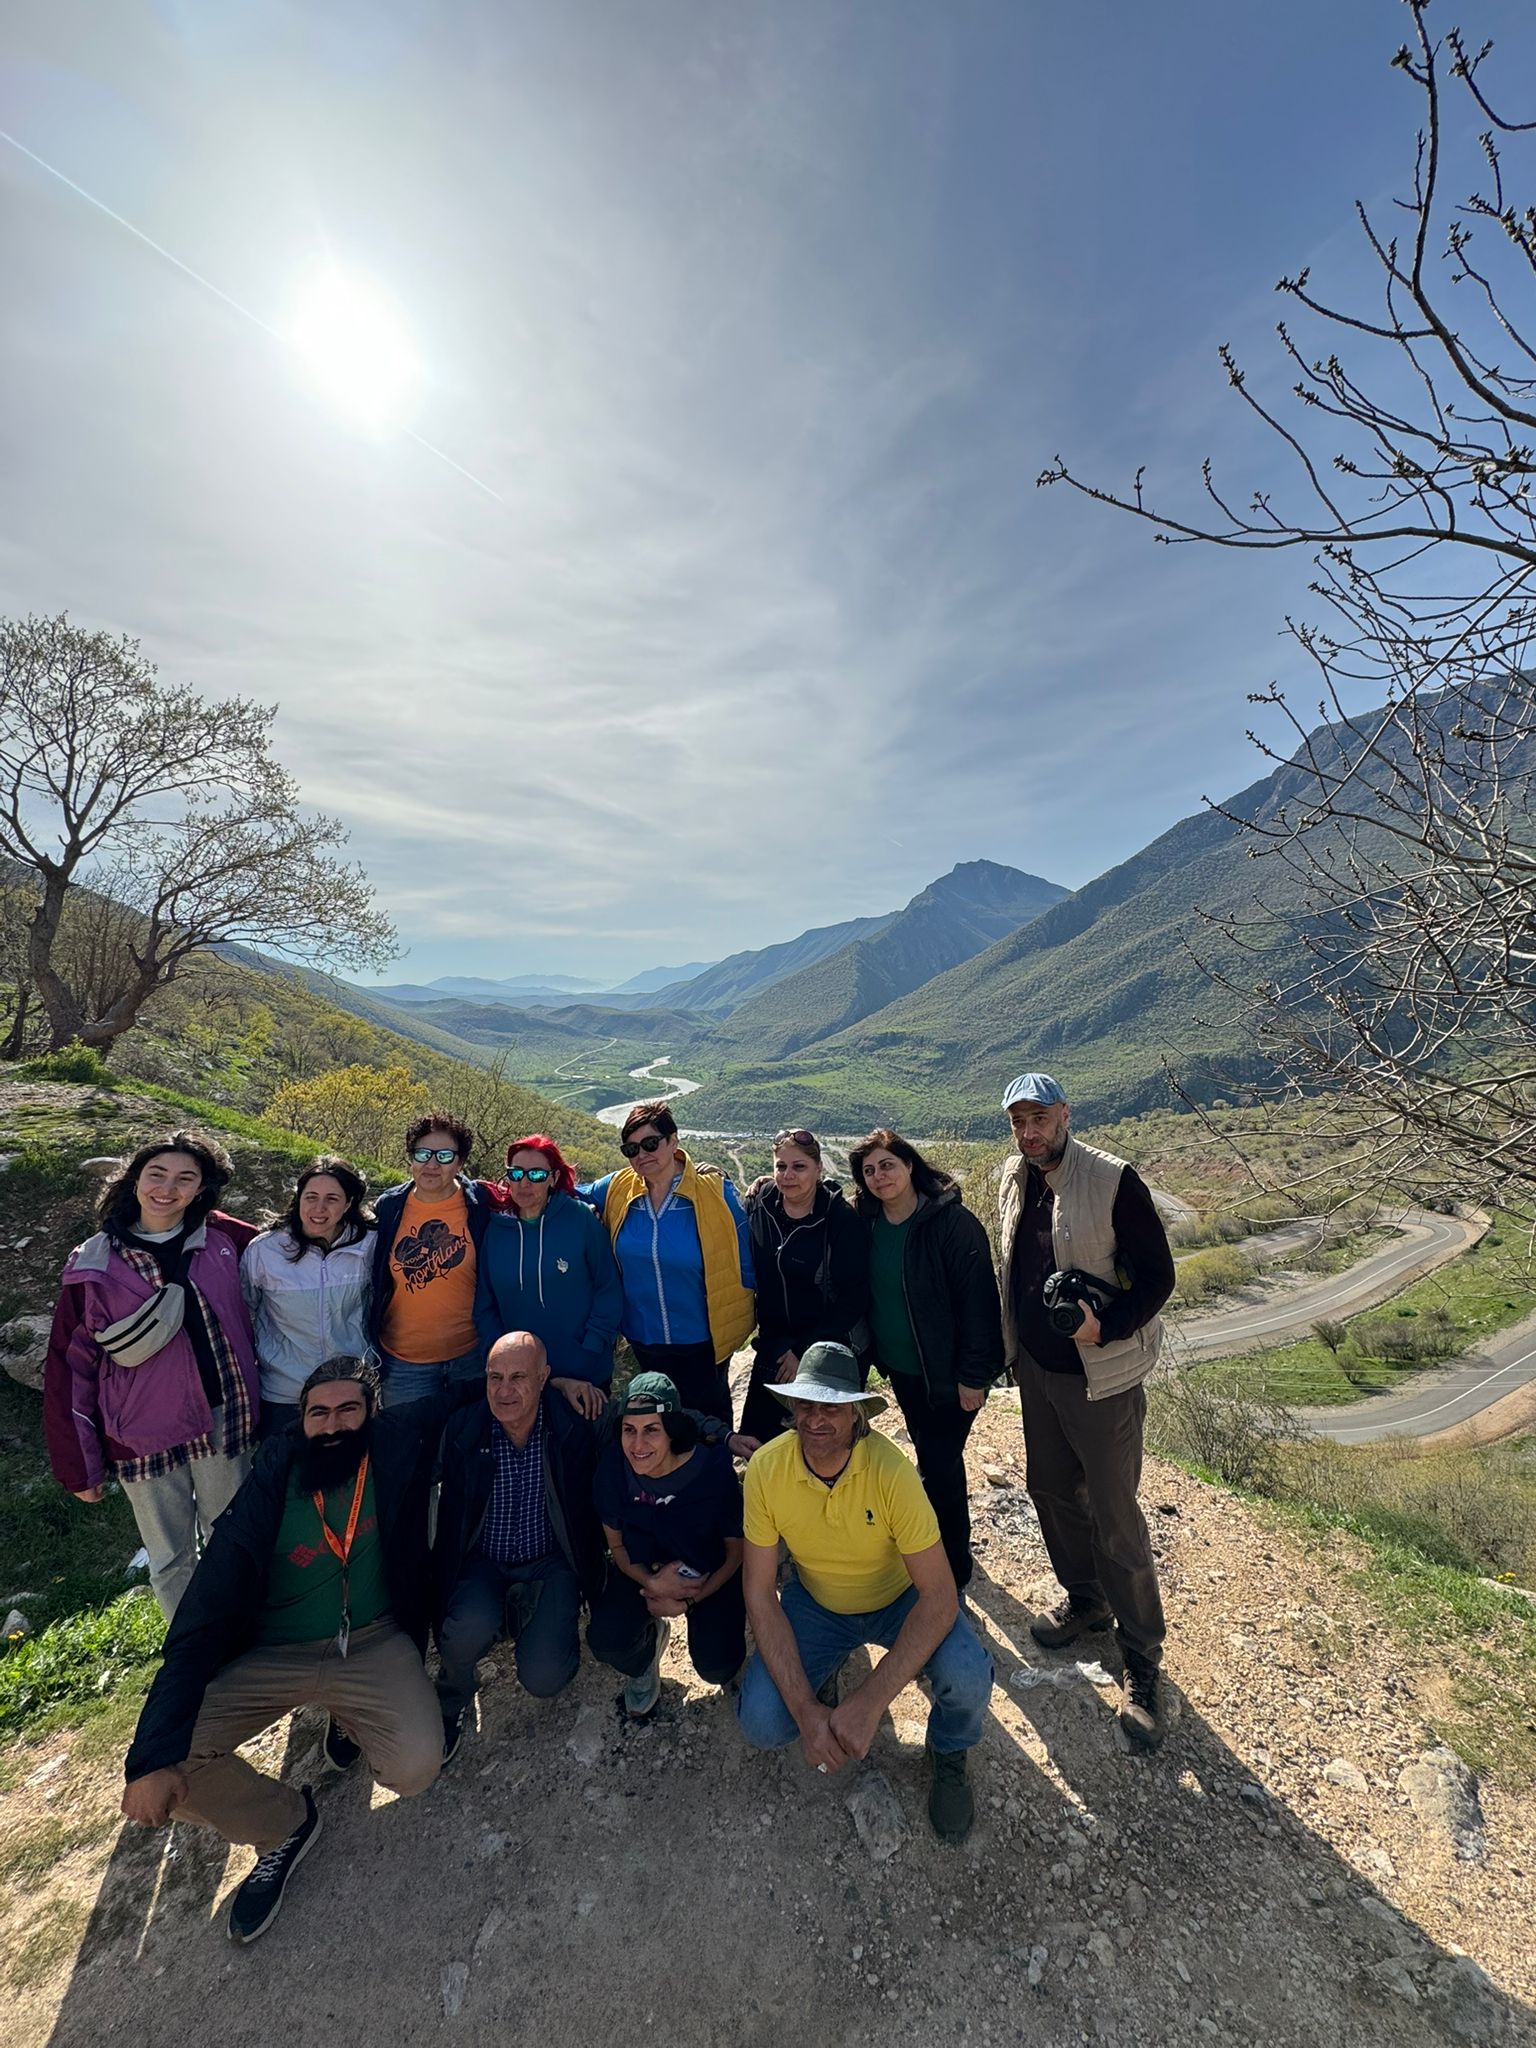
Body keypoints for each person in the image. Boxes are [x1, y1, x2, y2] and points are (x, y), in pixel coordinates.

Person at [118, 1358, 441, 1945]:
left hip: (372, 1642)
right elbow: (201, 1621)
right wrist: (149, 1757)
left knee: (416, 1769)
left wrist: (560, 1383)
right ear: (302, 1419)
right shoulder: (272, 1479)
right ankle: (284, 1823)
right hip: (277, 1651)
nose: (334, 1424)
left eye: (349, 1409)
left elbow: (474, 1394)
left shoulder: (395, 1444)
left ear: (373, 1412)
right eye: (319, 1412)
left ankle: (351, 1716)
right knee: (168, 1764)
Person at [735, 1343, 993, 1843]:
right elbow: (760, 1592)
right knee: (763, 1723)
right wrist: (808, 1713)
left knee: (966, 1677)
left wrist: (870, 1701)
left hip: (900, 1599)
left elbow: (939, 1595)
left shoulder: (891, 1471)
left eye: (831, 1406)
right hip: (817, 1602)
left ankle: (949, 1748)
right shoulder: (766, 1471)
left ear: (856, 1413)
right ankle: (822, 1679)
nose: (815, 1419)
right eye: (805, 1404)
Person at [997, 1071, 1177, 1749]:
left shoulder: (1113, 1179)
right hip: (1039, 1374)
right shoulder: (1012, 1178)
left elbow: (1159, 1277)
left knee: (1115, 1512)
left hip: (1102, 1378)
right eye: (1018, 1121)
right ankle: (1086, 1598)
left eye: (1039, 1117)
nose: (1029, 1131)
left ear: (1066, 1114)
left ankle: (1141, 1659)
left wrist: (1107, 1328)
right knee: (1048, 1490)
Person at [43, 1131, 260, 1619]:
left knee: (232, 1539)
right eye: (156, 1174)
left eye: (186, 1178)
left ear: (202, 1189)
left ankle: (240, 1639)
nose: (168, 1188)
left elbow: (295, 1249)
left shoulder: (225, 1238)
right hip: (142, 1433)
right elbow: (68, 1365)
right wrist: (78, 1464)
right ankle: (191, 1653)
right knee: (171, 1557)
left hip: (225, 1417)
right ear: (134, 1180)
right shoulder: (93, 1265)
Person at [431, 1330, 603, 1759]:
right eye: (495, 1377)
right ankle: (452, 1695)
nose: (504, 1390)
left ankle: (533, 1621)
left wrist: (724, 1438)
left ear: (545, 1378)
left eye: (518, 1377)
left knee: (545, 1677)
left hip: (549, 1563)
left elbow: (646, 1418)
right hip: (483, 1563)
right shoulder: (464, 1429)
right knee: (463, 1631)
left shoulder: (572, 1425)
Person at [849, 1128, 1002, 1590]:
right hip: (901, 1368)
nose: (879, 1177)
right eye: (869, 1171)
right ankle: (931, 1546)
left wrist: (974, 1376)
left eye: (887, 1165)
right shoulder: (866, 1219)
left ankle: (953, 1570)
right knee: (931, 1453)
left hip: (949, 1374)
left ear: (910, 1165)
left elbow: (980, 1305)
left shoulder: (952, 1225)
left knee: (940, 1465)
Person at [579, 1100, 755, 1425]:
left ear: (673, 1141)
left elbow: (745, 1260)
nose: (641, 1155)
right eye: (631, 1149)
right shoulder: (618, 1187)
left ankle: (717, 1473)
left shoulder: (715, 1191)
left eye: (650, 1144)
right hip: (643, 1337)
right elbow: (572, 1193)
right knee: (659, 1421)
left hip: (704, 1339)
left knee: (709, 1424)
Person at [586, 1372, 746, 1719]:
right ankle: (646, 1654)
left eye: (651, 1429)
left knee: (718, 1665)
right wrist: (653, 1584)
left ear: (673, 1428)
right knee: (607, 1639)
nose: (638, 1444)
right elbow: (617, 1547)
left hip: (709, 1573)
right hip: (646, 1570)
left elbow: (736, 1551)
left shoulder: (712, 1472)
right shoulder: (614, 1470)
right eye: (629, 1430)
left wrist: (688, 1600)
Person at [474, 1134, 623, 1421]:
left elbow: (608, 1288)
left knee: (581, 1458)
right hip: (518, 1380)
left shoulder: (580, 1219)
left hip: (583, 1372)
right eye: (515, 1173)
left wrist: (591, 1348)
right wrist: (497, 1358)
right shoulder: (496, 1230)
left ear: (553, 1178)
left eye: (536, 1174)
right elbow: (485, 1303)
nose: (524, 1182)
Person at [741, 1128, 869, 1445]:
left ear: (818, 1169)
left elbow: (854, 1297)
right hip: (774, 1346)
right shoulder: (762, 1204)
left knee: (819, 1443)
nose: (788, 1175)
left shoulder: (839, 1219)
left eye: (799, 1167)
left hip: (826, 1348)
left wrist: (803, 1352)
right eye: (781, 1166)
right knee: (759, 1445)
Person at [370, 1111, 492, 1427]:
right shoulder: (389, 1208)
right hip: (403, 1361)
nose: (432, 1164)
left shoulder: (479, 1203)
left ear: (460, 1162)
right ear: (411, 1158)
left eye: (444, 1155)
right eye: (423, 1153)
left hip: (469, 1356)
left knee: (465, 1450)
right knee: (407, 1455)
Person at [242, 1157, 375, 1438]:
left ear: (349, 1204)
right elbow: (245, 1311)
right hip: (284, 1390)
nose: (319, 1208)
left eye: (332, 1199)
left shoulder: (370, 1246)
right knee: (284, 1478)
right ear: (298, 1198)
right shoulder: (265, 1251)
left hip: (349, 1389)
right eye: (311, 1197)